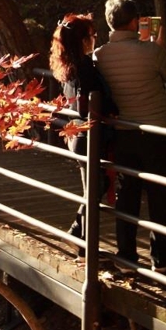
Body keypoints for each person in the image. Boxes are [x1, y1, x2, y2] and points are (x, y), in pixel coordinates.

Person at [93, 0, 166, 273]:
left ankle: (128, 255)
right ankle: (161, 258)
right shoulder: (151, 52)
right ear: (134, 22)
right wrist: (157, 47)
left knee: (127, 195)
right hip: (156, 132)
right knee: (159, 196)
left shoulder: (100, 55)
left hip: (123, 134)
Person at [49, 13, 118, 255]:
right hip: (88, 135)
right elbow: (86, 104)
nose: (94, 38)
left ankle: (82, 242)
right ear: (82, 39)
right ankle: (78, 235)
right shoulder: (84, 65)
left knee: (93, 187)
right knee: (96, 186)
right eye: (91, 35)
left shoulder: (67, 65)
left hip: (76, 134)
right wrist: (111, 109)